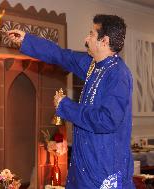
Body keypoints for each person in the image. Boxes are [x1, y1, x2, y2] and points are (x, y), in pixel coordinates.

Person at [7, 14, 134, 188]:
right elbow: (61, 55)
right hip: (83, 167)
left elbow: (107, 120)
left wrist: (66, 106)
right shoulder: (93, 65)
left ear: (104, 41)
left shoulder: (118, 75)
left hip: (103, 173)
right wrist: (26, 40)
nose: (86, 39)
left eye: (91, 34)